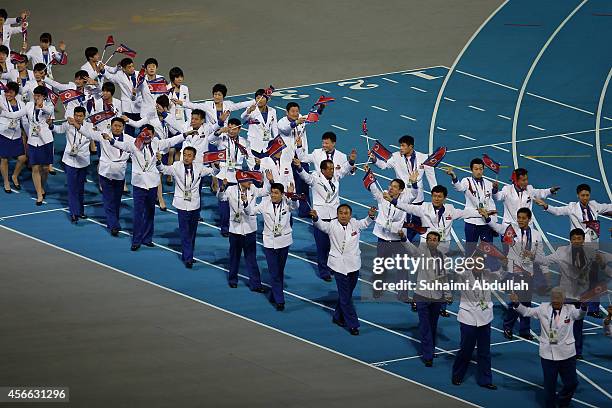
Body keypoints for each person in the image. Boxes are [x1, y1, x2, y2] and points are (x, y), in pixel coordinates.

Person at [104, 125, 188, 250]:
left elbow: (171, 141)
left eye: (149, 135)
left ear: (153, 135)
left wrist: (185, 135)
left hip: (152, 184)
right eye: (144, 134)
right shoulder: (134, 144)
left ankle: (148, 238)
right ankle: (136, 240)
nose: (146, 137)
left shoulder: (157, 144)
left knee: (150, 212)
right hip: (139, 184)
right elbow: (121, 145)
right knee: (138, 213)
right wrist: (111, 140)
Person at [536, 184, 612, 317]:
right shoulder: (572, 207)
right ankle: (573, 304)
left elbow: (608, 207)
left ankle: (593, 308)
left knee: (594, 277)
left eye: (587, 195)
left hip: (592, 248)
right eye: (582, 195)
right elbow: (557, 211)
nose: (585, 198)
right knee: (578, 277)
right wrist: (545, 205)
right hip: (577, 248)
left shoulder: (594, 206)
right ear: (578, 195)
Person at [534, 228, 611, 359]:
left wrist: (603, 263)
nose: (576, 241)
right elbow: (545, 261)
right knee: (559, 323)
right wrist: (533, 256)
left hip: (582, 296)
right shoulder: (561, 252)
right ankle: (556, 349)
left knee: (578, 325)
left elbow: (607, 263)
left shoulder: (591, 252)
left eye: (579, 238)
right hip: (566, 295)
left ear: (583, 240)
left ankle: (577, 352)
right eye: (574, 238)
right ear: (570, 240)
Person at [510, 288, 586, 408]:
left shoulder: (570, 309)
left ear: (563, 299)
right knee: (549, 386)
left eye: (558, 299)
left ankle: (563, 401)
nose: (555, 301)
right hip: (548, 354)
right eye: (553, 299)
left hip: (567, 354)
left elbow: (579, 315)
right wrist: (516, 303)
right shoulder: (543, 308)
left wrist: (584, 306)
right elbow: (527, 312)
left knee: (572, 383)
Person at [310, 204, 377, 335]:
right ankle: (353, 324)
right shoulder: (332, 225)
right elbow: (321, 225)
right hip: (339, 266)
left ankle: (337, 316)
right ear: (337, 214)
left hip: (354, 265)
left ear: (350, 215)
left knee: (346, 295)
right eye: (341, 213)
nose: (343, 215)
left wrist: (370, 216)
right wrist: (316, 218)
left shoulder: (355, 224)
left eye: (346, 213)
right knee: (346, 297)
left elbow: (365, 223)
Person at [481, 207, 545, 340]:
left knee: (526, 302)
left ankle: (524, 330)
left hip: (529, 272)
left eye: (523, 218)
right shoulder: (511, 230)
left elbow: (541, 255)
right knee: (515, 300)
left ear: (529, 219)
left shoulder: (537, 235)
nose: (520, 220)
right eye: (519, 218)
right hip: (514, 271)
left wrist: (536, 259)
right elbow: (496, 227)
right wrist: (487, 218)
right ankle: (508, 327)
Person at [293, 152, 356, 281]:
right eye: (330, 169)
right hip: (320, 216)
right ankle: (324, 271)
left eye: (333, 168)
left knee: (334, 244)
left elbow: (344, 170)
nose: (333, 171)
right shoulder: (316, 178)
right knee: (322, 246)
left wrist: (351, 161)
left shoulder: (335, 177)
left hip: (334, 217)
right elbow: (306, 178)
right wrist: (299, 167)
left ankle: (332, 267)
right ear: (323, 170)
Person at [369, 134, 437, 242]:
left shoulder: (423, 157)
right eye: (400, 145)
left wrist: (436, 193)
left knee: (417, 222)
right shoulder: (396, 156)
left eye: (403, 146)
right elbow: (384, 166)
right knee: (402, 220)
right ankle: (403, 242)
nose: (401, 148)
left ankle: (406, 240)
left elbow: (431, 177)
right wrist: (374, 159)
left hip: (417, 195)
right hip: (402, 196)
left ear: (411, 146)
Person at [156, 146, 216, 268]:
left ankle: (188, 254)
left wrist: (217, 166)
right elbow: (163, 169)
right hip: (181, 204)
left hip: (194, 204)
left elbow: (213, 172)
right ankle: (188, 258)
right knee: (184, 231)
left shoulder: (199, 167)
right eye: (185, 155)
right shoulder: (177, 166)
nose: (186, 157)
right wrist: (158, 162)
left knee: (192, 232)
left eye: (189, 155)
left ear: (194, 157)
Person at [244, 182, 299, 310]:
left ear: (282, 194)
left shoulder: (287, 202)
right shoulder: (265, 203)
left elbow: (295, 206)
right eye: (272, 192)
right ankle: (280, 300)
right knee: (274, 272)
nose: (273, 195)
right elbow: (251, 212)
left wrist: (292, 196)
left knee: (279, 271)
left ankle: (274, 294)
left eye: (276, 193)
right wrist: (246, 203)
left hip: (284, 241)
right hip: (269, 243)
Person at [403, 231, 451, 366]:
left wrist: (447, 294)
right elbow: (411, 249)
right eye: (429, 239)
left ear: (438, 242)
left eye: (434, 239)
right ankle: (428, 355)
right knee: (425, 326)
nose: (431, 241)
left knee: (433, 325)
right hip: (421, 296)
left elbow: (445, 278)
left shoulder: (444, 258)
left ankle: (431, 349)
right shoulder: (422, 253)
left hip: (437, 296)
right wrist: (403, 238)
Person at [451, 254, 500, 390]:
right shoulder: (464, 275)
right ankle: (457, 375)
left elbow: (502, 274)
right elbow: (455, 272)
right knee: (466, 349)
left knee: (485, 351)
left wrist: (505, 261)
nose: (477, 266)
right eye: (474, 263)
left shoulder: (488, 274)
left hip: (485, 317)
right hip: (468, 317)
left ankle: (485, 380)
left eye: (480, 263)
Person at [0, 85, 54, 204]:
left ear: (44, 97)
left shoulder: (49, 105)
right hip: (33, 141)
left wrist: (42, 106)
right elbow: (15, 115)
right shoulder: (29, 105)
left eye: (38, 96)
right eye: (35, 95)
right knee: (35, 167)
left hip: (46, 141)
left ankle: (42, 186)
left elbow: (49, 112)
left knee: (44, 168)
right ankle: (39, 194)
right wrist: (2, 113)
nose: (36, 98)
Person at [218, 171, 269, 291]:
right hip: (235, 229)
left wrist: (269, 181)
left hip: (249, 229)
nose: (250, 182)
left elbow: (266, 191)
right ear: (241, 182)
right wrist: (222, 188)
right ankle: (232, 280)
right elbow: (221, 198)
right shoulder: (230, 190)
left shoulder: (254, 189)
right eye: (248, 180)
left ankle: (256, 284)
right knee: (234, 256)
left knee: (251, 257)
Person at [79, 117, 130, 236]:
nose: (117, 128)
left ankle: (113, 221)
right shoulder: (103, 135)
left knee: (117, 200)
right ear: (111, 126)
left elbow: (139, 143)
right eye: (115, 125)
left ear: (123, 127)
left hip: (120, 175)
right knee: (108, 200)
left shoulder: (128, 139)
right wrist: (78, 126)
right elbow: (89, 133)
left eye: (119, 126)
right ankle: (114, 225)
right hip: (105, 173)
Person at [209, 117, 255, 236]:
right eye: (230, 127)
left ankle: (236, 226)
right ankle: (225, 228)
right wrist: (219, 131)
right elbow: (209, 140)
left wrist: (254, 171)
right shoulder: (221, 139)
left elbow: (249, 158)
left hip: (237, 176)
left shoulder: (244, 142)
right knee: (223, 203)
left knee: (236, 203)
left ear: (239, 129)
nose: (231, 130)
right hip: (223, 174)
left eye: (234, 128)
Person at [446, 159, 498, 255]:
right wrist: (453, 176)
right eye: (476, 169)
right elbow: (459, 188)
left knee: (488, 249)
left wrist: (495, 190)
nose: (479, 171)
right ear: (471, 170)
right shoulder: (466, 181)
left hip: (486, 222)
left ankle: (489, 268)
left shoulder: (489, 183)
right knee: (470, 249)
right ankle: (469, 267)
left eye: (481, 169)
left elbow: (492, 201)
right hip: (471, 221)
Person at [51, 106, 93, 223]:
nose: (78, 118)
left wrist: (76, 124)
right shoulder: (68, 123)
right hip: (69, 161)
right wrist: (51, 125)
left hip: (83, 161)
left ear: (84, 116)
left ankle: (81, 211)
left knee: (80, 188)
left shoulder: (89, 126)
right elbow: (58, 129)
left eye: (80, 116)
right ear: (74, 115)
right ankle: (74, 212)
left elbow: (90, 135)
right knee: (72, 188)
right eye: (76, 115)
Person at [494, 167, 559, 226]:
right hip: (510, 227)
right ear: (516, 181)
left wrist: (550, 191)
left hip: (526, 226)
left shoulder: (529, 189)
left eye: (527, 179)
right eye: (523, 180)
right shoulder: (507, 190)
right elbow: (497, 197)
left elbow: (540, 192)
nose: (526, 182)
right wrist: (495, 190)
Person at [278, 101, 310, 217]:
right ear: (286, 112)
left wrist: (320, 108)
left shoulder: (301, 118)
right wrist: (296, 122)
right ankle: (286, 208)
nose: (295, 113)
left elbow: (313, 116)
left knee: (304, 184)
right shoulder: (281, 122)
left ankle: (305, 211)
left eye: (297, 111)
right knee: (289, 184)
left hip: (301, 157)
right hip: (288, 159)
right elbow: (286, 129)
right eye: (293, 111)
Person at [0, 81, 26, 193]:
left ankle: (14, 176)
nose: (8, 94)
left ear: (15, 93)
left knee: (22, 158)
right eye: (6, 92)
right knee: (4, 159)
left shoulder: (21, 104)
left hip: (16, 134)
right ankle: (6, 181)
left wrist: (28, 135)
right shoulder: (1, 100)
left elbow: (24, 121)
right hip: (4, 133)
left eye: (10, 92)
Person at [241, 88, 278, 153]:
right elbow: (243, 117)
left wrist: (277, 141)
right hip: (253, 144)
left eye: (262, 98)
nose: (260, 100)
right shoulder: (251, 110)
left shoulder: (272, 111)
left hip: (267, 143)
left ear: (267, 100)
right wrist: (249, 111)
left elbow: (274, 128)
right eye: (258, 98)